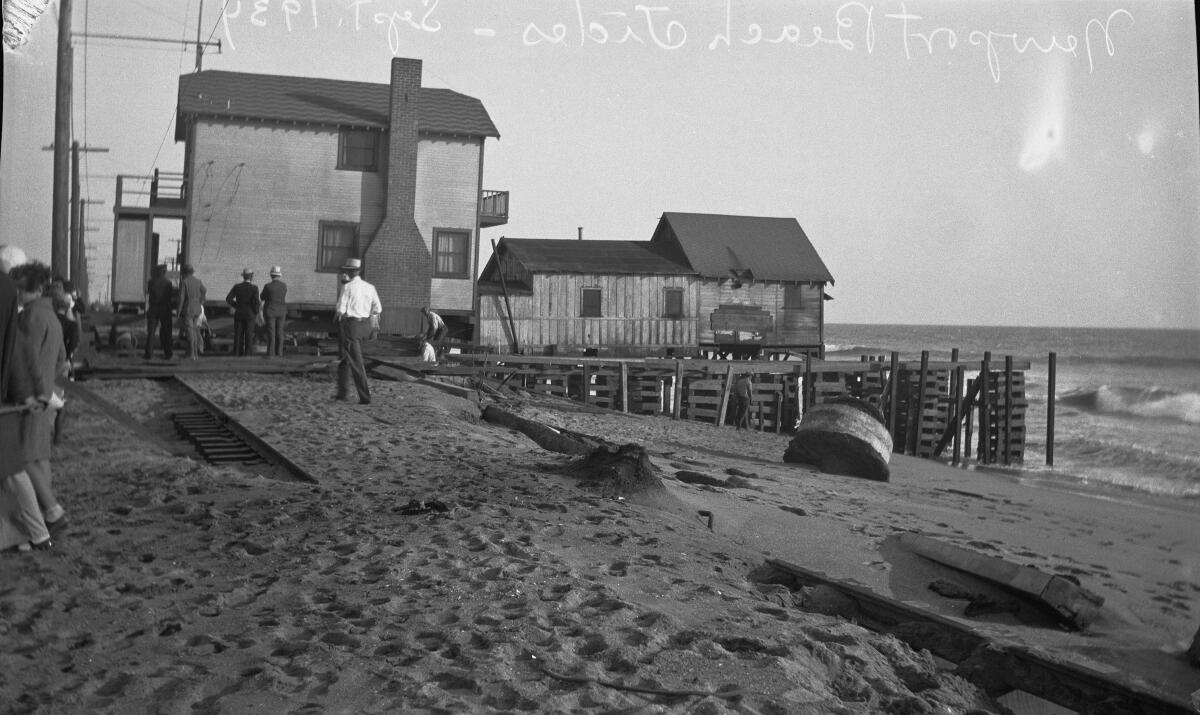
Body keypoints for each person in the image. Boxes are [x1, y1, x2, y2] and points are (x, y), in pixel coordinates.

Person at [10, 259, 69, 537]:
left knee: (22, 457)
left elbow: (22, 360)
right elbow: (61, 362)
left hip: (28, 398)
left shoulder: (28, 318)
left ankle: (53, 511)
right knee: (39, 456)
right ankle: (48, 511)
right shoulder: (52, 317)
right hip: (46, 395)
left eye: (18, 288)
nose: (15, 293)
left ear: (29, 289)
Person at [0, 245, 53, 552]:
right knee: (11, 469)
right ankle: (29, 533)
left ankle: (37, 531)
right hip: (11, 395)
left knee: (12, 470)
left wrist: (27, 393)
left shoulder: (8, 293)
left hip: (9, 398)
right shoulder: (11, 295)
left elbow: (17, 352)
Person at [333, 257, 381, 404]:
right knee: (346, 360)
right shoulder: (370, 287)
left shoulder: (347, 287)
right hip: (365, 326)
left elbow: (340, 309)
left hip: (352, 326)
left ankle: (365, 397)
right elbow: (378, 308)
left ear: (349, 272)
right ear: (359, 272)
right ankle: (342, 393)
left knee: (356, 362)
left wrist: (339, 317)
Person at [226, 268, 261, 357]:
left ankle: (237, 353)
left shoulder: (237, 287)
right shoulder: (254, 288)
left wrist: (236, 305)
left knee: (238, 335)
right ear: (251, 277)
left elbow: (228, 298)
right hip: (250, 315)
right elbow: (256, 302)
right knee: (249, 335)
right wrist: (255, 312)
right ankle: (248, 354)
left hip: (239, 313)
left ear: (243, 276)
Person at [143, 264, 174, 360]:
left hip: (153, 309)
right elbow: (170, 296)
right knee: (167, 332)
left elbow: (149, 293)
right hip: (165, 309)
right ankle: (168, 354)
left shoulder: (150, 282)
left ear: (157, 272)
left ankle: (149, 354)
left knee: (151, 332)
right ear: (164, 272)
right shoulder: (168, 283)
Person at [177, 264, 206, 360]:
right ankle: (194, 354)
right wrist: (201, 301)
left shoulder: (184, 282)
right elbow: (204, 290)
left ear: (184, 272)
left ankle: (191, 354)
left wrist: (178, 310)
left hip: (188, 309)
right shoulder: (198, 281)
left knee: (190, 333)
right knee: (194, 331)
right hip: (197, 308)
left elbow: (181, 298)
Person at [260, 266, 288, 357]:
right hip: (281, 311)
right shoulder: (284, 286)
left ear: (271, 275)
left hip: (270, 311)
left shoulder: (268, 286)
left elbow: (262, 297)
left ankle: (271, 353)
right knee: (280, 332)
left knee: (271, 333)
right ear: (279, 276)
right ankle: (279, 353)